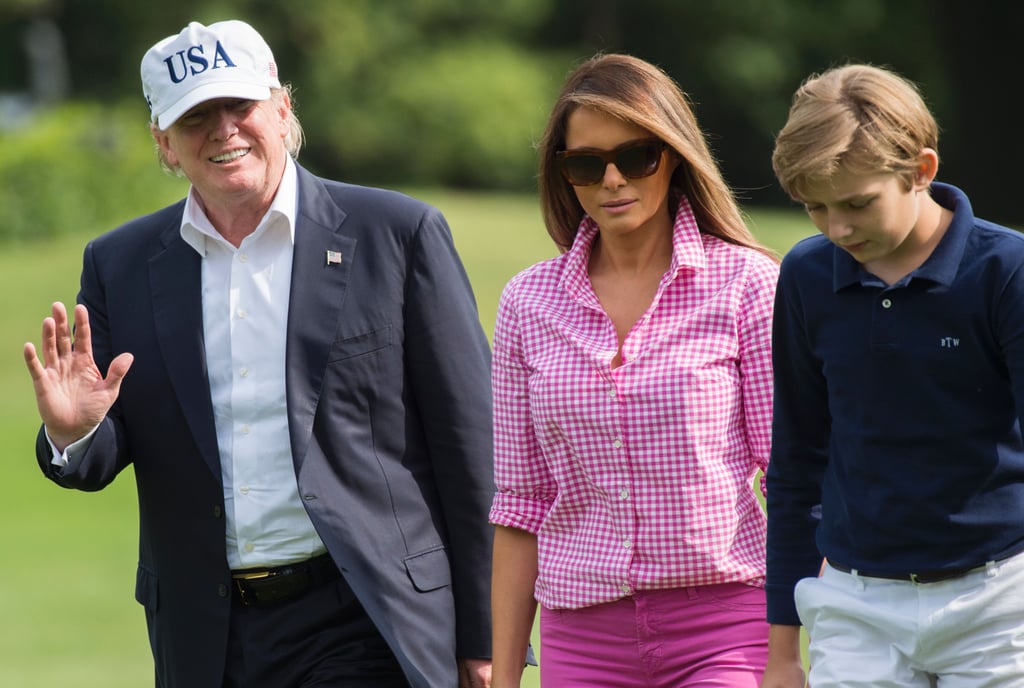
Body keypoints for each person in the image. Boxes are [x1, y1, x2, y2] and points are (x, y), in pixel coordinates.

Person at [23, 19, 495, 688]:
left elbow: (468, 446)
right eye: (196, 118)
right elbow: (104, 452)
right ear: (164, 142)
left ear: (282, 107)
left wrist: (485, 635)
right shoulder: (119, 265)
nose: (223, 131)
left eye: (238, 105)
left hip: (365, 616)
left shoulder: (397, 234)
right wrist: (75, 434)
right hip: (206, 635)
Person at [488, 53, 780, 687]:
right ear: (564, 175)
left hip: (724, 628)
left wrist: (786, 653)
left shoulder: (747, 286)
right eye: (587, 165)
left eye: (636, 156)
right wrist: (505, 680)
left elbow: (789, 474)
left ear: (672, 154)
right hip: (580, 638)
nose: (613, 179)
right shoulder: (526, 303)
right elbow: (520, 507)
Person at [763, 63, 1024, 688]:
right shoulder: (805, 276)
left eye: (857, 203)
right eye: (815, 208)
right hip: (854, 606)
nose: (838, 228)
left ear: (921, 171)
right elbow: (797, 464)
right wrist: (780, 655)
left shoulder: (1007, 271)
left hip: (997, 603)